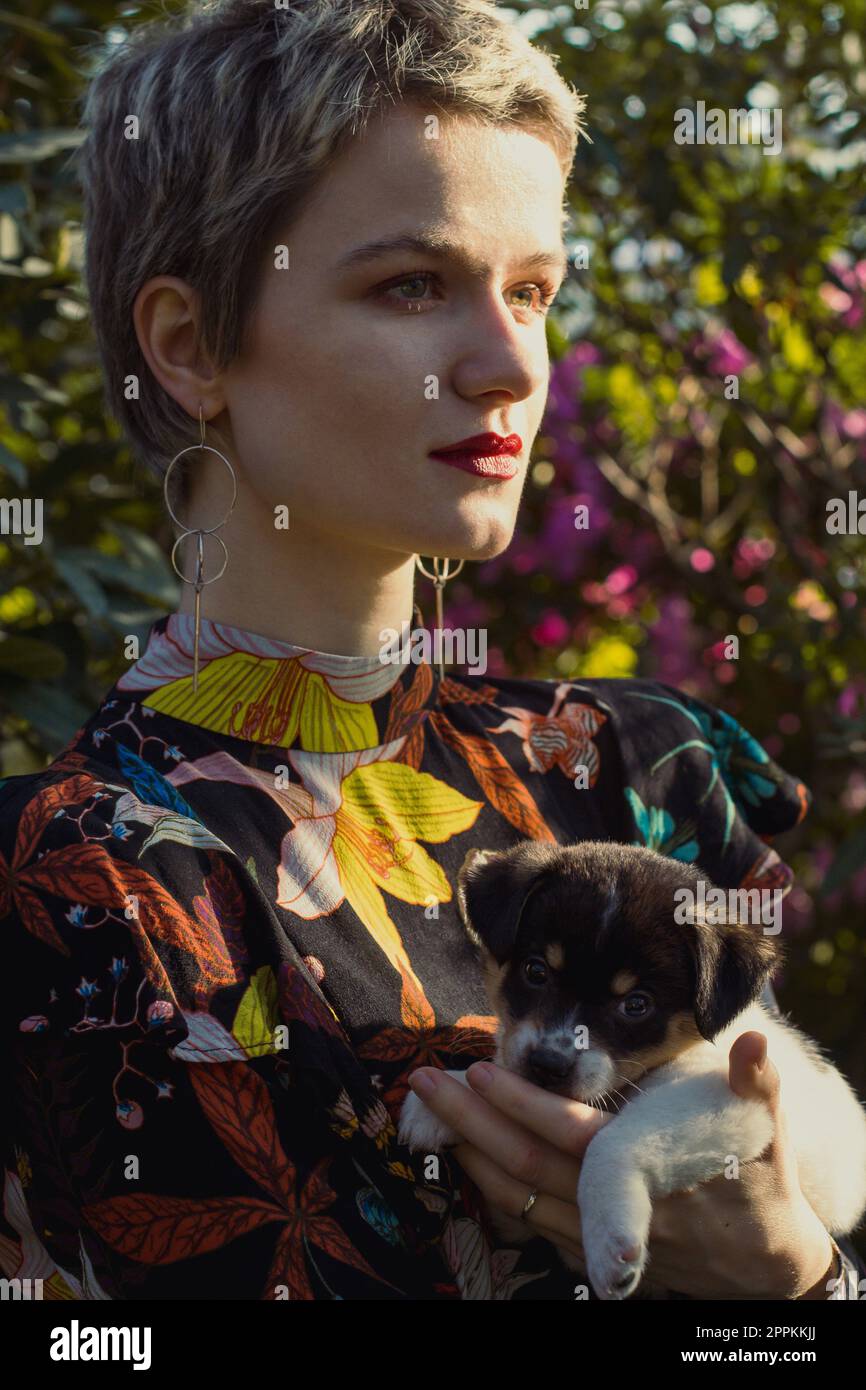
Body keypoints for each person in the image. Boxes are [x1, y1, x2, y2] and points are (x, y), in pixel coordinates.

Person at [0, 0, 863, 1301]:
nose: (511, 361)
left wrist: (796, 1282)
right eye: (412, 285)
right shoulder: (75, 882)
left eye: (531, 292)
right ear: (188, 346)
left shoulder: (629, 769)